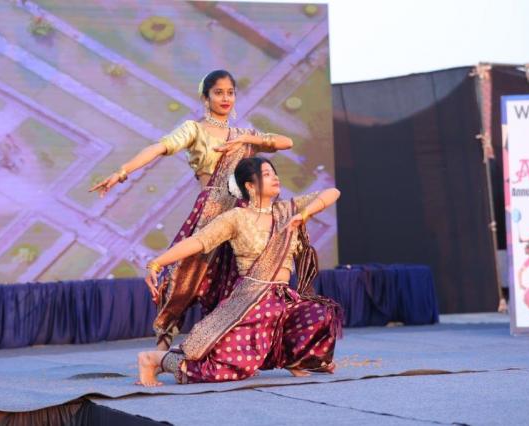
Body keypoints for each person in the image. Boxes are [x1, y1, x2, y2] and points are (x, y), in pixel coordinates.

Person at [90, 70, 293, 350]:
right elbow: (158, 148)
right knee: (184, 275)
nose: (225, 98)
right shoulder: (194, 130)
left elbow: (286, 142)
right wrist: (121, 172)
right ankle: (162, 347)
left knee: (241, 279)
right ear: (205, 97)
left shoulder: (242, 135)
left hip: (242, 216)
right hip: (211, 211)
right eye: (218, 92)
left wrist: (251, 140)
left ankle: (242, 348)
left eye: (230, 92)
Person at [136, 157, 342, 386]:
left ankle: (293, 360)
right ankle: (154, 359)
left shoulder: (287, 210)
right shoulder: (237, 218)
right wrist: (156, 263)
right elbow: (198, 241)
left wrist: (304, 214)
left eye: (274, 173)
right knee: (222, 369)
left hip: (283, 300)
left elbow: (333, 192)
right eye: (266, 174)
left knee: (320, 313)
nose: (275, 178)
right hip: (252, 302)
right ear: (250, 186)